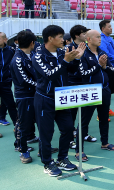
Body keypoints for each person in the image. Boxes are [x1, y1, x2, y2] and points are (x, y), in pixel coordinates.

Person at [32, 25, 84, 177]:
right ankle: (47, 162)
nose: (64, 40)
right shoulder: (38, 55)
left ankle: (62, 158)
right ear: (50, 38)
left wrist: (76, 60)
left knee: (68, 128)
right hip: (45, 98)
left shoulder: (63, 52)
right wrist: (67, 61)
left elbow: (72, 71)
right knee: (46, 133)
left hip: (63, 97)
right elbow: (49, 75)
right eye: (60, 37)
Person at [76, 30, 114, 162]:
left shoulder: (102, 52)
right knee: (84, 122)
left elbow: (111, 70)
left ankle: (104, 143)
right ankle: (79, 150)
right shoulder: (83, 54)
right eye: (97, 37)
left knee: (104, 118)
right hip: (90, 92)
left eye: (100, 37)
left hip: (104, 90)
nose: (100, 39)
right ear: (89, 39)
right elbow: (83, 74)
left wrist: (104, 67)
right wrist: (99, 66)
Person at [10, 30, 37, 163]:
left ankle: (43, 147)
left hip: (33, 94)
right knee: (23, 124)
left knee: (36, 121)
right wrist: (40, 85)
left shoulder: (30, 55)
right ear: (32, 43)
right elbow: (23, 80)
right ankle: (22, 150)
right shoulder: (18, 59)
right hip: (24, 96)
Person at [67, 25, 95, 145]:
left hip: (86, 83)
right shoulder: (68, 48)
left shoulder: (88, 48)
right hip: (72, 83)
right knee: (71, 114)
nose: (86, 35)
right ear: (77, 35)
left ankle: (83, 134)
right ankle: (69, 138)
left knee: (85, 113)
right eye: (84, 33)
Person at [99, 20, 114, 116]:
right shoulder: (102, 39)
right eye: (109, 27)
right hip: (106, 68)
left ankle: (107, 109)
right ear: (103, 29)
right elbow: (105, 54)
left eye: (111, 26)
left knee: (109, 91)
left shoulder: (110, 38)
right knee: (105, 91)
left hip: (113, 67)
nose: (111, 28)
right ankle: (101, 114)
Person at [0, 32, 17, 126]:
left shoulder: (11, 50)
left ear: (5, 39)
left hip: (6, 82)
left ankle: (17, 126)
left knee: (10, 104)